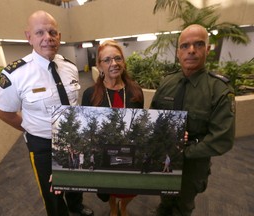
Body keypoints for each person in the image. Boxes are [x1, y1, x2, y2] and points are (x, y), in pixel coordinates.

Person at [0, 10, 93, 216]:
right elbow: (5, 113)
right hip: (42, 145)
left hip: (73, 137)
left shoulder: (70, 67)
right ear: (28, 37)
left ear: (59, 36)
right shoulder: (15, 74)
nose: (47, 38)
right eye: (40, 32)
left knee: (76, 177)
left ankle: (76, 205)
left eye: (52, 32)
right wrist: (32, 128)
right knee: (52, 192)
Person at [150, 24, 235, 215]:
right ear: (178, 52)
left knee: (183, 206)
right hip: (166, 159)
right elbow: (154, 116)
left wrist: (183, 150)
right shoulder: (167, 83)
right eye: (185, 46)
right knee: (164, 201)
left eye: (198, 44)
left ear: (207, 49)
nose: (191, 50)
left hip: (192, 166)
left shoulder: (219, 90)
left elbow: (222, 139)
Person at [82, 40, 144, 216]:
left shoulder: (136, 92)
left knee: (129, 189)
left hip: (129, 151)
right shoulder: (90, 94)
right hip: (104, 152)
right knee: (108, 187)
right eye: (107, 60)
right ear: (99, 66)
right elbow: (87, 127)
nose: (114, 64)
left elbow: (139, 124)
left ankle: (123, 207)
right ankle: (112, 208)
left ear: (123, 62)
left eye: (118, 58)